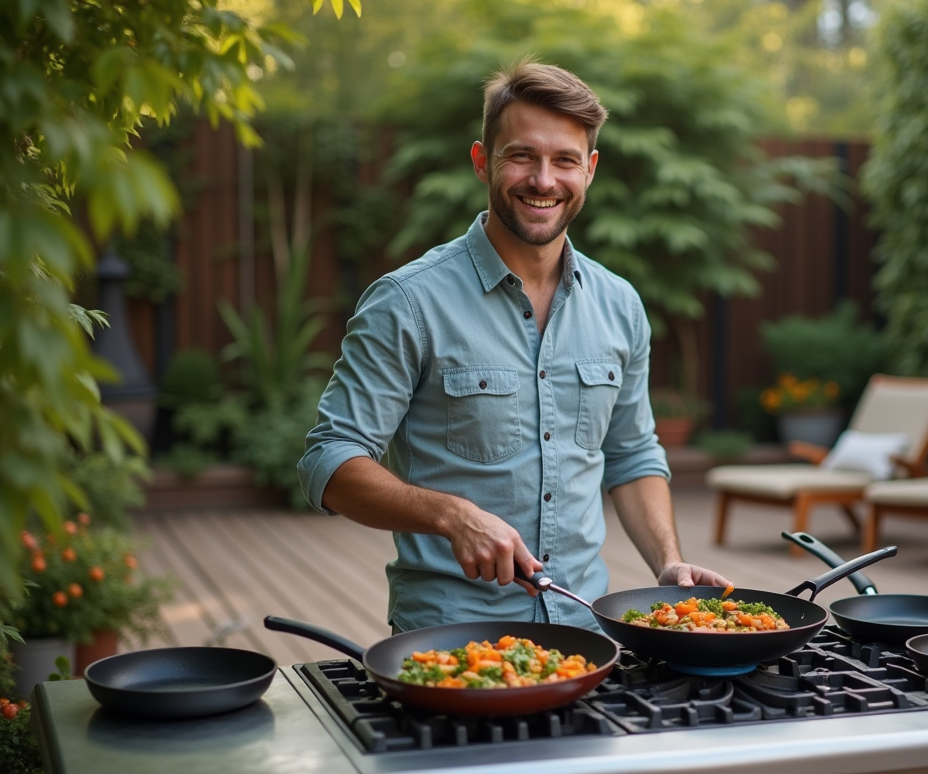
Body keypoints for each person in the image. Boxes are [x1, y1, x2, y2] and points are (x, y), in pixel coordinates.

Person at [297, 58, 727, 634]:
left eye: (565, 160)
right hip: (450, 640)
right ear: (483, 161)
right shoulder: (407, 301)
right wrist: (450, 515)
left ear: (590, 169)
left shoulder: (621, 305)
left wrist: (667, 562)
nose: (544, 180)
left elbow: (631, 456)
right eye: (522, 155)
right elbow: (328, 460)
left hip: (585, 633)